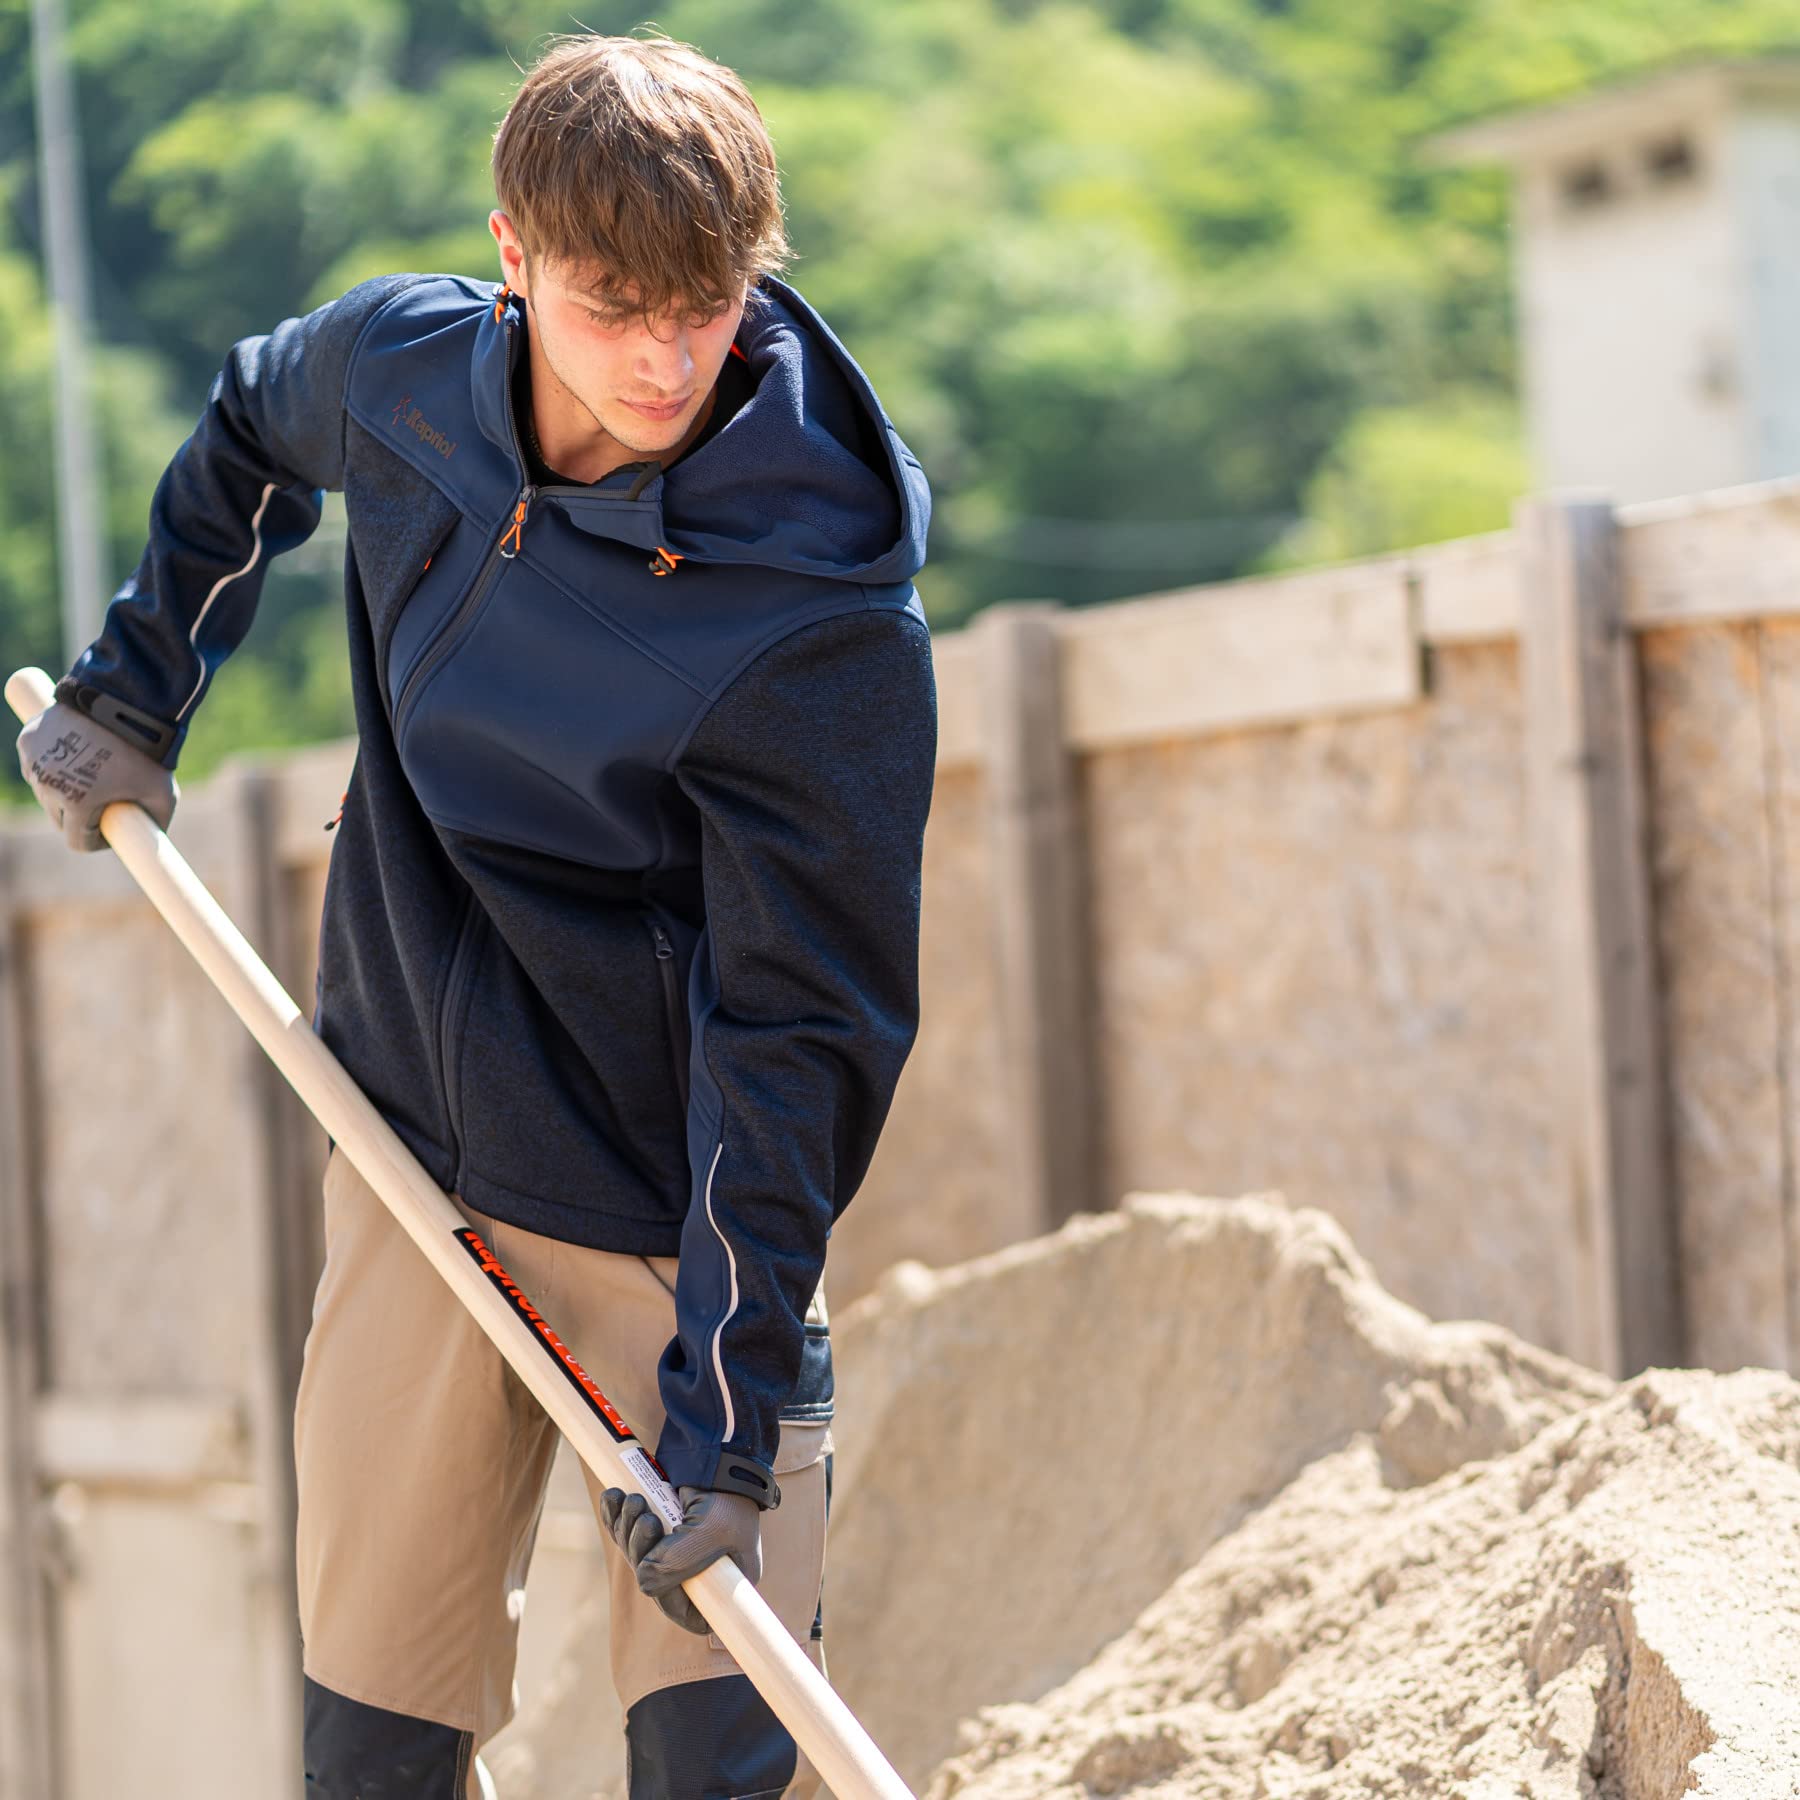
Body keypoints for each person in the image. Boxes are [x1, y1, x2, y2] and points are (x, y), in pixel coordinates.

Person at [15, 29, 936, 1799]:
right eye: (614, 308)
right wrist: (138, 692)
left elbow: (802, 1030)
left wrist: (732, 1416)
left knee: (723, 1765)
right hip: (411, 1143)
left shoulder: (817, 622)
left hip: (673, 1232)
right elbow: (245, 431)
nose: (671, 360)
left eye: (710, 306)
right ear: (511, 260)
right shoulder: (407, 375)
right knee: (372, 1746)